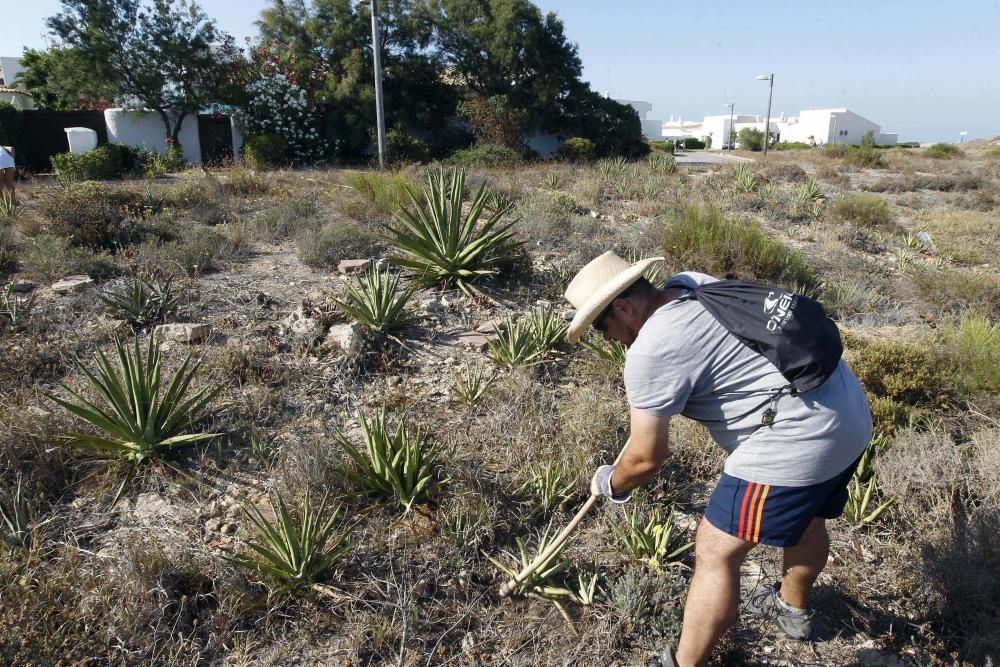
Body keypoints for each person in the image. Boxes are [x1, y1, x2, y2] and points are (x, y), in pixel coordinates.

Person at [564, 251, 872, 667]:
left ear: (623, 306)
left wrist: (611, 484)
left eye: (602, 326)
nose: (607, 338)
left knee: (715, 552)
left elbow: (644, 459)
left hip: (799, 435)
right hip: (845, 408)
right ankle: (790, 610)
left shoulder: (650, 351)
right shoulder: (691, 283)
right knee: (809, 515)